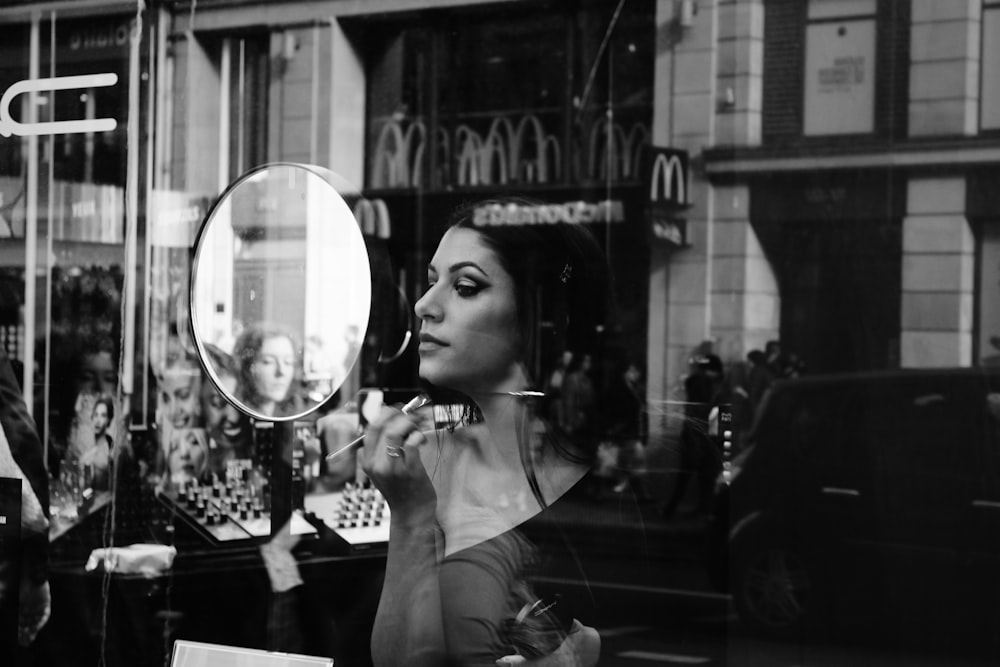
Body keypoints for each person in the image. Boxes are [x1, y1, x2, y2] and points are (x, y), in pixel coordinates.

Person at [360, 199, 608, 667]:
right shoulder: (429, 458)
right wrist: (410, 516)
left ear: (539, 316)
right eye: (433, 281)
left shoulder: (580, 476)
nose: (423, 305)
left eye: (466, 286)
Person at [661, 353, 727, 518]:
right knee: (703, 476)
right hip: (706, 435)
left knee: (687, 475)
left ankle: (672, 509)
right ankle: (703, 510)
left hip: (697, 435)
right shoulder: (713, 385)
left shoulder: (698, 382)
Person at [232, 325, 304, 418]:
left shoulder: (299, 413)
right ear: (247, 367)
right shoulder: (231, 416)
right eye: (268, 362)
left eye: (288, 362)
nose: (281, 371)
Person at [78, 396, 114, 491]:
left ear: (108, 420)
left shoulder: (109, 449)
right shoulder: (90, 448)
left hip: (104, 503)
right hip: (91, 502)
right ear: (92, 418)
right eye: (96, 415)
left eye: (103, 416)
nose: (98, 420)